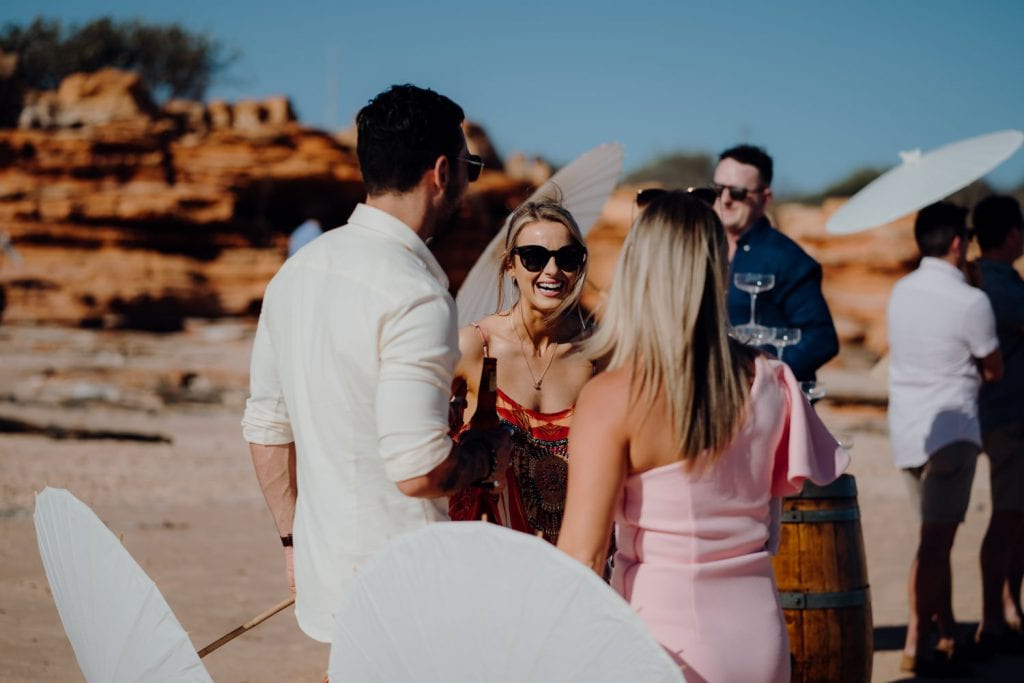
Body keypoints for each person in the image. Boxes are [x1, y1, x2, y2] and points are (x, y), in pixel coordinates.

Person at [241, 84, 504, 644]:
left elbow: (267, 428)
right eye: (469, 167)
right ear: (441, 171)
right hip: (406, 594)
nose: (466, 183)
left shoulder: (294, 274)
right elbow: (418, 471)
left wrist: (293, 544)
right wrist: (482, 455)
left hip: (328, 578)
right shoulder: (415, 293)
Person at [556, 190, 848, 681]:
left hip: (662, 640)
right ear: (717, 269)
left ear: (638, 271)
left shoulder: (611, 397)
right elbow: (772, 522)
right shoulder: (771, 380)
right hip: (759, 634)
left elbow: (581, 557)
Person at [887, 201, 1003, 674]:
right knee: (936, 544)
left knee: (935, 535)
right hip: (952, 432)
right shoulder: (971, 300)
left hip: (907, 431)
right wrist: (977, 290)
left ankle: (948, 632)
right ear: (958, 243)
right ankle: (917, 640)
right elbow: (994, 369)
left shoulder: (899, 291)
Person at [448, 200, 593, 543]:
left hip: (569, 567)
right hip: (483, 563)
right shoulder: (474, 346)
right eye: (534, 257)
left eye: (567, 258)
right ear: (510, 265)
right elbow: (415, 445)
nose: (552, 270)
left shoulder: (598, 355)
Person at [713, 144, 839, 381]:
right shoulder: (701, 249)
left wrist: (762, 374)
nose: (725, 199)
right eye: (718, 189)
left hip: (761, 400)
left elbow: (821, 339)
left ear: (764, 198)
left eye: (737, 192)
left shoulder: (788, 259)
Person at [971, 194, 1024, 652]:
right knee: (1008, 517)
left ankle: (1008, 607)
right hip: (1007, 416)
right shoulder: (1000, 287)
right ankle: (993, 616)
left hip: (998, 415)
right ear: (1012, 235)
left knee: (1015, 516)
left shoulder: (978, 279)